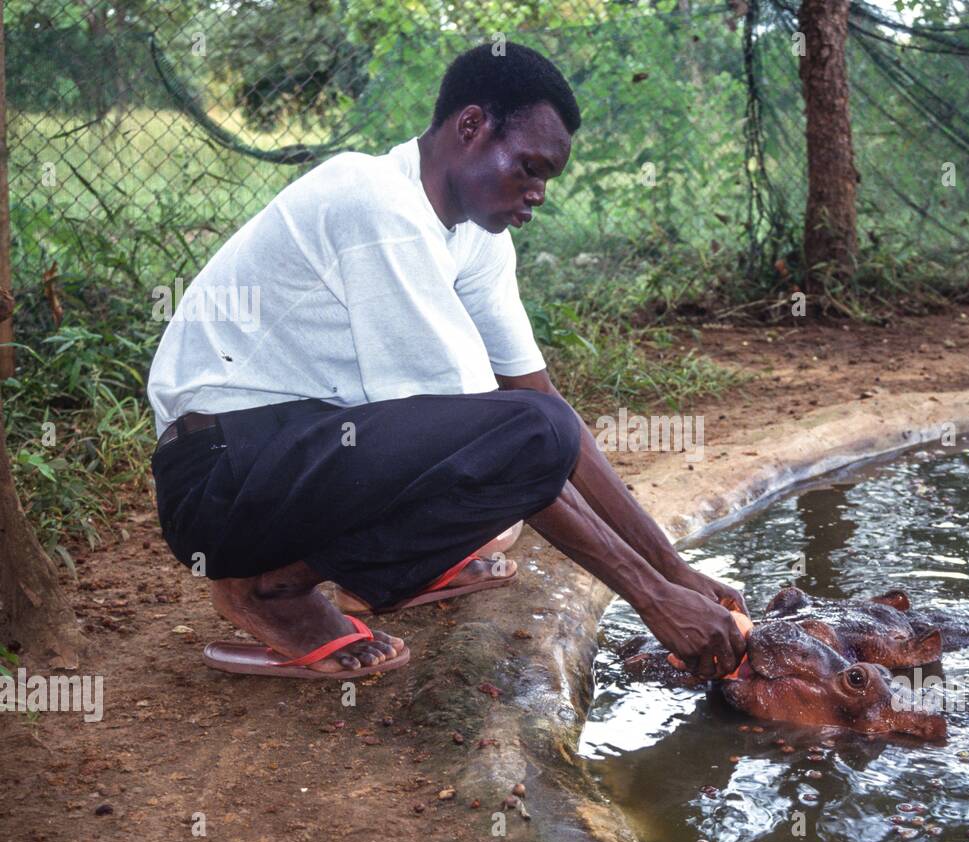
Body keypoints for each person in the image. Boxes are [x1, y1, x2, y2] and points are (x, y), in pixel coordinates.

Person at [145, 42, 748, 680]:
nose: (538, 193)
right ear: (470, 127)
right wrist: (655, 602)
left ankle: (361, 569)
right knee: (519, 447)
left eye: (546, 179)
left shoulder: (475, 234)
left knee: (522, 460)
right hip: (217, 479)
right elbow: (520, 442)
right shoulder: (378, 206)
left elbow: (544, 404)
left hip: (299, 455)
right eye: (529, 168)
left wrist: (676, 571)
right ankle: (266, 587)